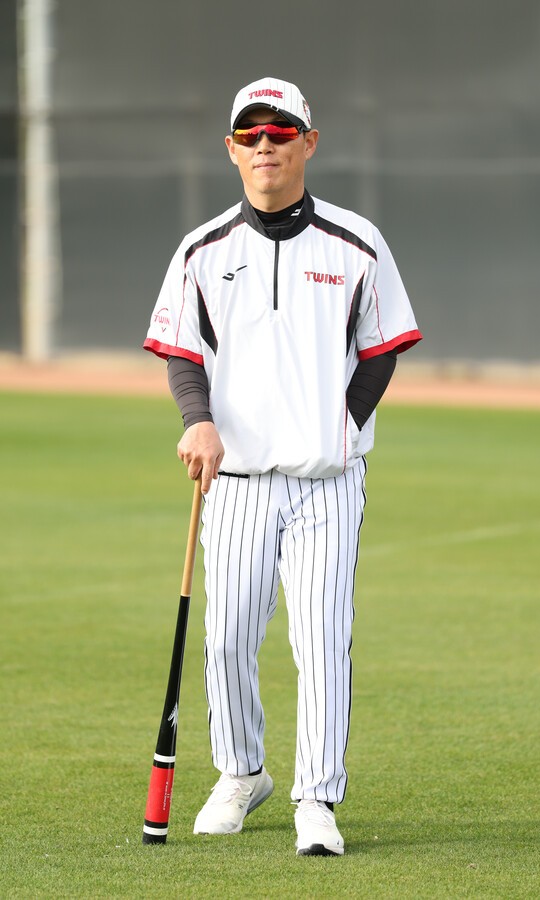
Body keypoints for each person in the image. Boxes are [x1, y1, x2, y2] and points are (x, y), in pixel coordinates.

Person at [144, 76, 422, 857]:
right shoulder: (202, 250)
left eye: (280, 132)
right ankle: (241, 772)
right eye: (251, 135)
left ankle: (317, 797)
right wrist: (198, 422)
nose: (265, 145)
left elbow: (383, 345)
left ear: (309, 142)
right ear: (232, 150)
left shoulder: (356, 242)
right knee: (228, 638)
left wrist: (342, 426)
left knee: (321, 637)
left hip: (325, 482)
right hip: (233, 482)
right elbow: (182, 351)